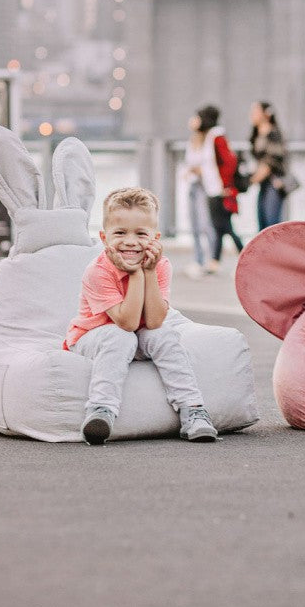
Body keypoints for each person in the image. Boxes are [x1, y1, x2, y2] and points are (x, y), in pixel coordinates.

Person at [63, 186, 218, 445]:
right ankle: (101, 410)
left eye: (141, 234)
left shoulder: (161, 266)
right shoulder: (98, 271)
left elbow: (155, 321)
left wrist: (148, 272)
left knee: (166, 336)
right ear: (104, 238)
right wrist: (135, 273)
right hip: (93, 337)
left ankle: (193, 410)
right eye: (120, 233)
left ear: (155, 238)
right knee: (119, 337)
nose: (131, 241)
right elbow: (127, 323)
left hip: (136, 334)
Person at [194, 105, 243, 271]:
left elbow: (229, 162)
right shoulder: (210, 137)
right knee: (221, 226)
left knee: (224, 226)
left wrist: (225, 185)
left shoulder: (217, 137)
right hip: (213, 188)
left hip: (219, 190)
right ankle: (215, 261)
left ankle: (242, 254)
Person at [180, 113, 214, 279]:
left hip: (204, 187)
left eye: (195, 118)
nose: (191, 120)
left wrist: (197, 170)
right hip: (193, 185)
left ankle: (211, 260)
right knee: (193, 223)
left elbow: (209, 166)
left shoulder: (209, 140)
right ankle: (198, 260)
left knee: (205, 224)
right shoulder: (192, 140)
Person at [249, 101, 288, 230]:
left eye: (255, 111)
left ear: (266, 114)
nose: (252, 115)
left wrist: (250, 181)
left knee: (272, 225)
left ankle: (275, 251)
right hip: (263, 184)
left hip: (274, 184)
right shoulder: (257, 134)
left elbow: (271, 163)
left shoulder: (273, 134)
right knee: (262, 223)